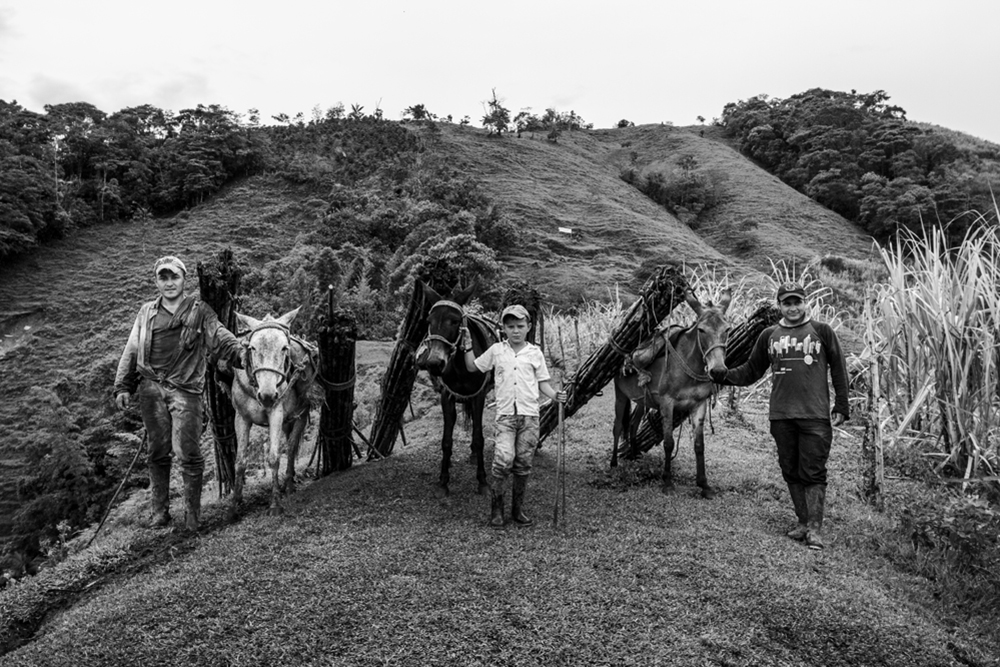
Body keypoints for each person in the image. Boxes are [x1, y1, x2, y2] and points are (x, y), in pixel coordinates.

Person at [712, 282, 849, 550]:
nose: (793, 307)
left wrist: (842, 405)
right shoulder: (769, 335)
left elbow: (839, 369)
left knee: (814, 471)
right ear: (780, 306)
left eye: (797, 301)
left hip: (815, 416)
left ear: (805, 302)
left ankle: (815, 529)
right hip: (781, 416)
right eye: (787, 303)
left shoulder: (822, 331)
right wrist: (724, 375)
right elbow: (751, 371)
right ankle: (802, 523)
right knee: (790, 469)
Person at [114, 256, 244, 533]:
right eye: (163, 277)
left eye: (174, 277)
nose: (169, 282)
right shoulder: (146, 312)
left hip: (185, 391)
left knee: (188, 453)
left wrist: (245, 354)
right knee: (157, 451)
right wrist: (123, 385)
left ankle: (192, 517)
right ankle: (159, 513)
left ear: (184, 280)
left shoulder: (200, 311)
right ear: (156, 281)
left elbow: (220, 338)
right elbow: (132, 348)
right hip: (150, 389)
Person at [460, 304, 566, 528]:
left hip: (529, 417)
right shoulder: (497, 350)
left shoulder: (535, 353)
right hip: (506, 417)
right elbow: (472, 367)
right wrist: (468, 346)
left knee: (523, 463)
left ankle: (518, 510)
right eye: (510, 326)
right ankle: (496, 511)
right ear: (504, 329)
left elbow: (542, 384)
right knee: (503, 460)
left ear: (528, 327)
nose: (515, 330)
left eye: (520, 326)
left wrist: (556, 396)